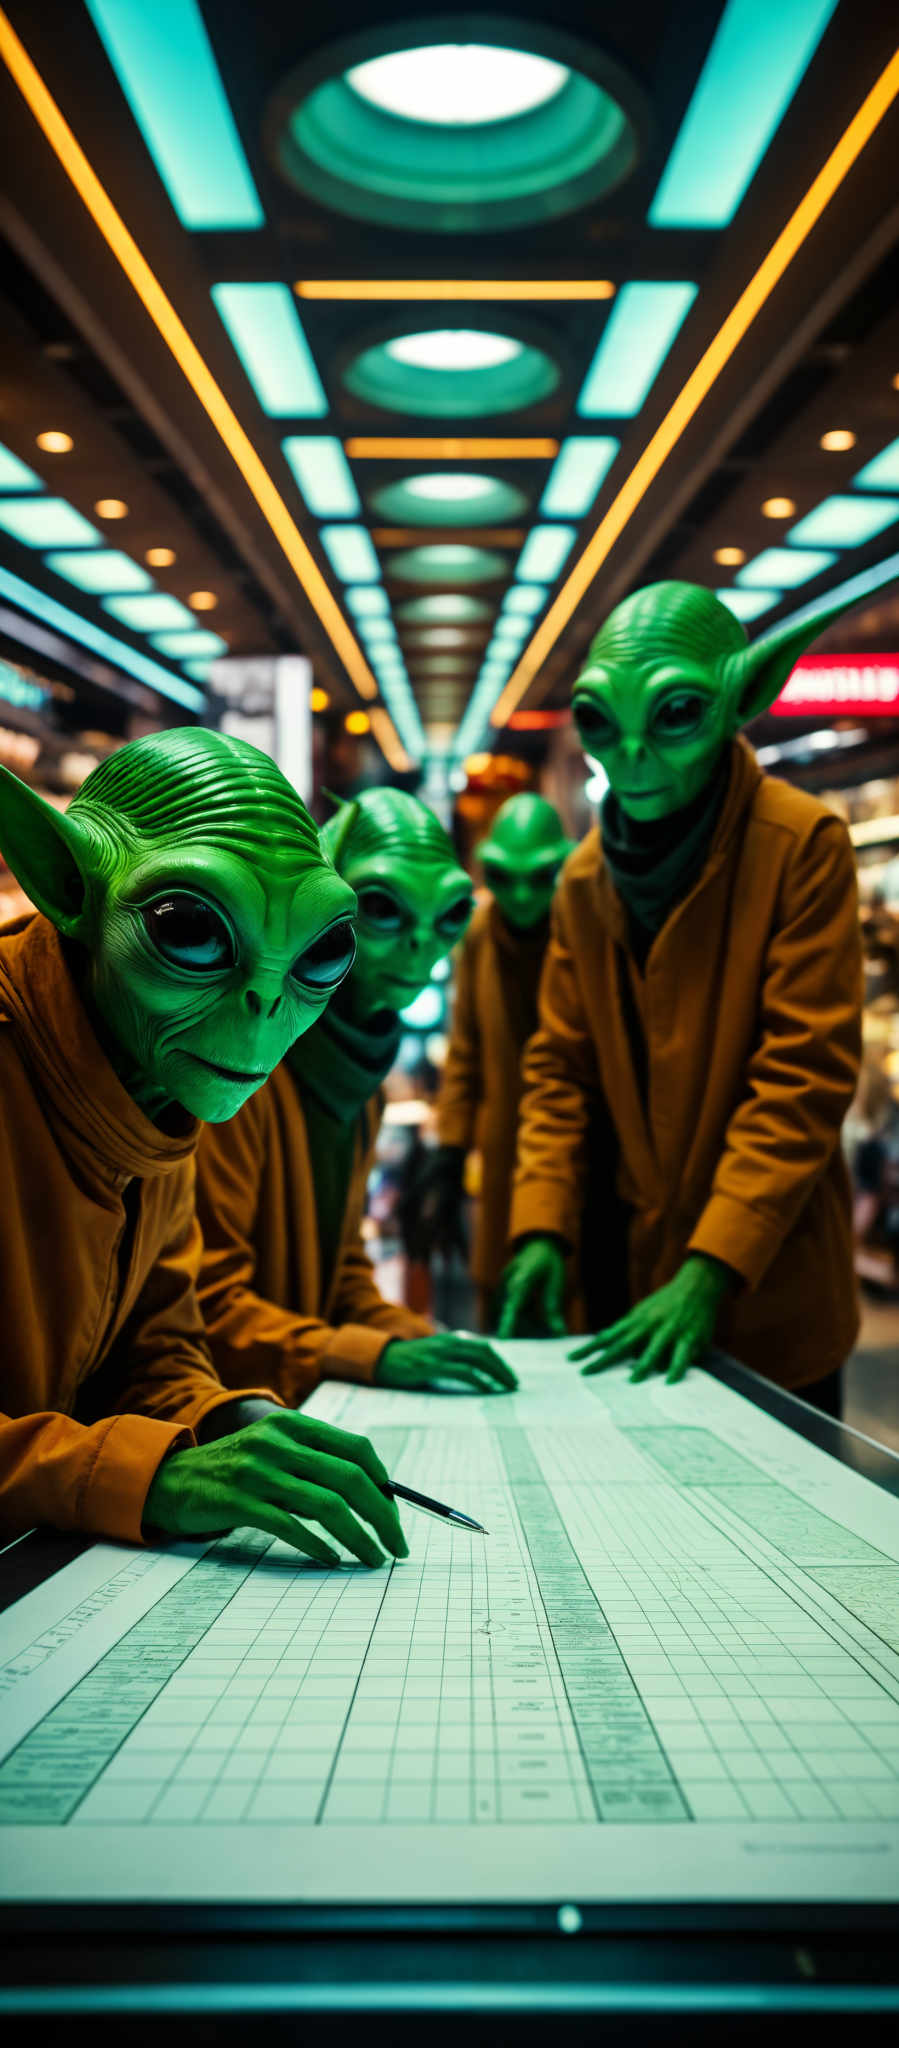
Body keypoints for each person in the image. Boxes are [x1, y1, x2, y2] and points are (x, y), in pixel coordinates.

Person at [0, 729, 407, 1570]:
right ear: (66, 884)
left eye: (319, 953)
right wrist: (147, 1476)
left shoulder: (157, 1067)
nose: (261, 1013)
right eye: (189, 931)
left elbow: (158, 1339)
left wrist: (228, 1418)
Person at [497, 580, 864, 1414]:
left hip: (772, 1297)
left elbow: (801, 1081)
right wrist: (541, 1227)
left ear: (741, 701)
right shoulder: (585, 875)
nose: (629, 759)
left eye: (672, 718)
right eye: (600, 724)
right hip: (637, 1284)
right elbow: (559, 1068)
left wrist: (712, 1269)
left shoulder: (800, 843)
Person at [196, 789, 516, 1399]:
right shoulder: (240, 1062)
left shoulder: (359, 1081)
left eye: (448, 916)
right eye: (384, 908)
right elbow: (199, 1304)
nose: (421, 947)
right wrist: (381, 1352)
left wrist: (408, 1339)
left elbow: (340, 1270)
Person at [412, 793, 571, 1329]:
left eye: (540, 877)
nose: (522, 894)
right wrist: (450, 1149)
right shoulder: (481, 933)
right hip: (503, 1154)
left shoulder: (584, 927)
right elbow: (466, 1050)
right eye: (505, 877)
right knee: (500, 1302)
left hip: (579, 1158)